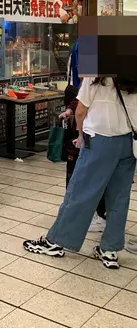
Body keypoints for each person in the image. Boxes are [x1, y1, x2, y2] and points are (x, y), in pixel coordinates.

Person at [24, 76, 137, 269]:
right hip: (129, 143)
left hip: (100, 140)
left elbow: (81, 111)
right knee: (119, 197)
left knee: (81, 191)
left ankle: (55, 241)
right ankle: (109, 249)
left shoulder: (96, 73)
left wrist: (80, 135)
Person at [60, 39, 106, 232]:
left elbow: (81, 108)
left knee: (86, 175)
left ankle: (94, 214)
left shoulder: (94, 78)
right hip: (104, 137)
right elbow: (79, 102)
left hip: (92, 136)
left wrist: (80, 134)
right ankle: (91, 213)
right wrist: (70, 111)